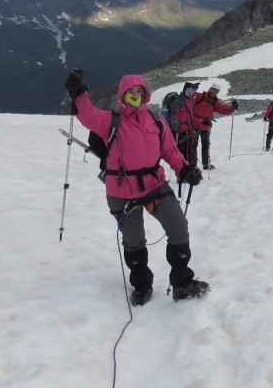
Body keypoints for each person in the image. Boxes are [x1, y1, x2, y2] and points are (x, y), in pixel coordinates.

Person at [65, 69, 208, 305]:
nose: (135, 95)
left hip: (155, 185)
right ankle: (142, 285)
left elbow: (169, 151)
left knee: (179, 227)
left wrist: (184, 169)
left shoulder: (156, 121)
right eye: (130, 92)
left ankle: (182, 282)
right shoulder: (111, 121)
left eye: (139, 91)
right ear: (123, 95)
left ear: (145, 93)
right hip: (122, 191)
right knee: (134, 240)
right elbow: (87, 115)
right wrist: (78, 92)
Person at [192, 83, 237, 169]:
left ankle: (205, 163)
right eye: (213, 89)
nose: (214, 92)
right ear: (210, 88)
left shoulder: (215, 102)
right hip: (195, 123)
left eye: (216, 91)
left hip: (206, 125)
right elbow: (189, 99)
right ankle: (193, 163)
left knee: (205, 144)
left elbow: (225, 110)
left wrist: (233, 107)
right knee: (193, 144)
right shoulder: (200, 96)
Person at [170, 82, 199, 164]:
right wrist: (177, 128)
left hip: (188, 132)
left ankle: (188, 173)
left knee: (189, 156)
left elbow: (191, 117)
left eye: (192, 91)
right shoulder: (178, 101)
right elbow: (173, 116)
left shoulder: (188, 101)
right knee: (180, 156)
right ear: (184, 90)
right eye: (189, 90)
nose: (190, 92)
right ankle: (180, 175)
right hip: (180, 134)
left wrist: (202, 121)